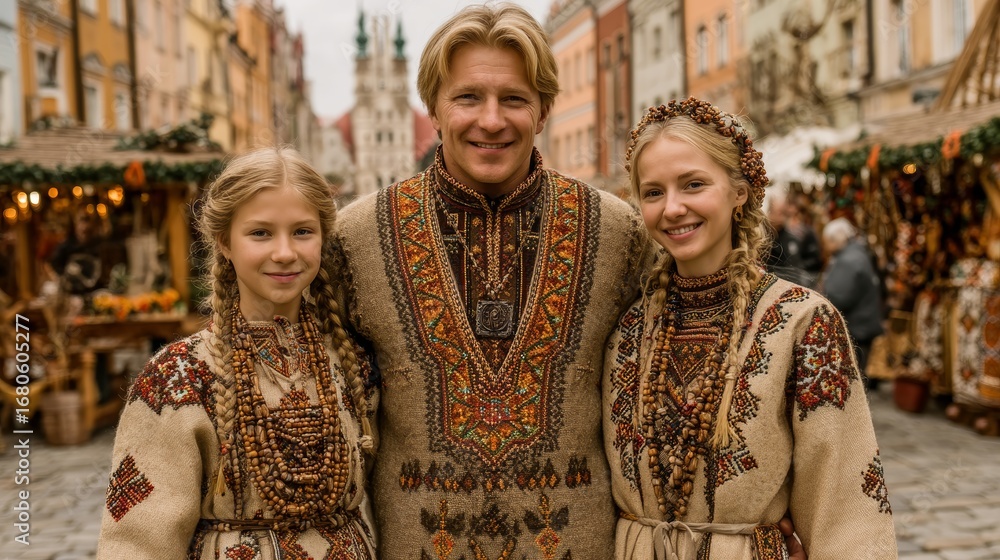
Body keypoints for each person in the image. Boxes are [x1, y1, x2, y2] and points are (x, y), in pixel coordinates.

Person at [333, 4, 653, 558]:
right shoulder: (354, 238)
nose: (491, 120)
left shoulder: (617, 231)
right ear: (433, 108)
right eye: (467, 97)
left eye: (514, 98)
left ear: (544, 109)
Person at [603, 98, 897, 559]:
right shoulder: (627, 329)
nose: (673, 207)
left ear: (739, 191)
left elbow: (844, 500)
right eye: (653, 192)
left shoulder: (804, 322)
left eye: (694, 184)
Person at [97, 148, 378, 559]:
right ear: (225, 242)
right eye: (260, 233)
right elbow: (139, 540)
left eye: (302, 231)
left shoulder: (352, 362)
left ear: (323, 236)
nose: (284, 252)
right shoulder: (178, 375)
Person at [821, 217, 885, 388]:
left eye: (828, 242)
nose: (826, 247)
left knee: (849, 382)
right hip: (862, 326)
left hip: (856, 329)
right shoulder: (857, 254)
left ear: (838, 239)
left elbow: (838, 297)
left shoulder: (849, 260)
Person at [764, 189, 822, 288]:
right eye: (780, 213)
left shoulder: (792, 237)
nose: (783, 217)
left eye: (784, 213)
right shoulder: (762, 238)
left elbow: (797, 265)